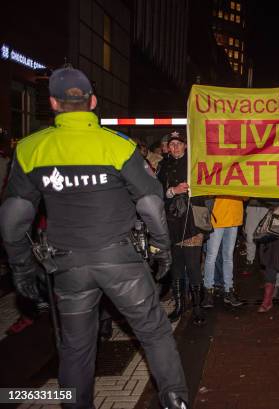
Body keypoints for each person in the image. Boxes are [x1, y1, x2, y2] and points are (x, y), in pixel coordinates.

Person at [0, 67, 188, 408]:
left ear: (54, 103)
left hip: (68, 266)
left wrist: (21, 267)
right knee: (155, 333)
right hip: (121, 262)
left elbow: (14, 217)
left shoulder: (31, 149)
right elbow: (150, 203)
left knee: (75, 347)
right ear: (94, 102)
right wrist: (162, 248)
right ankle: (176, 402)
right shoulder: (117, 145)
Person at [156, 132, 206, 326]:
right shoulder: (163, 165)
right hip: (171, 222)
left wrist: (196, 187)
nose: (175, 147)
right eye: (172, 144)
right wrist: (172, 191)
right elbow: (156, 191)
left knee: (193, 265)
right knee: (176, 266)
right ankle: (179, 306)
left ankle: (198, 307)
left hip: (192, 220)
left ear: (186, 145)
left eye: (179, 144)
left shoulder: (196, 162)